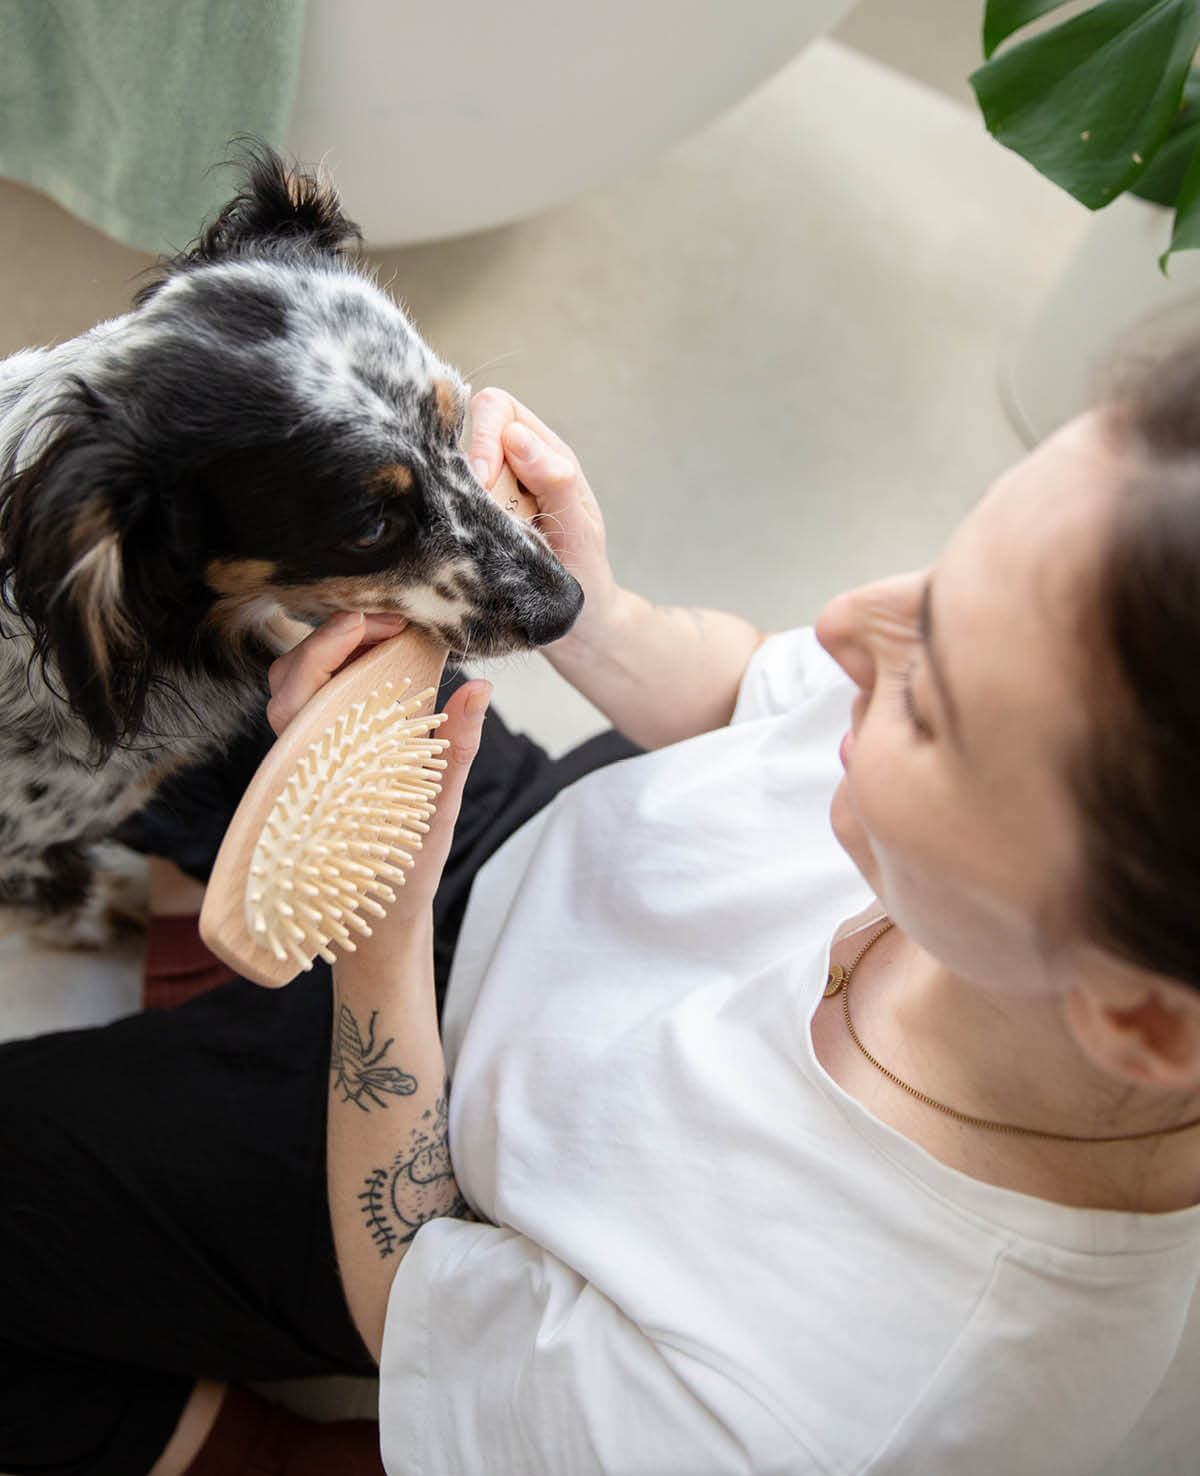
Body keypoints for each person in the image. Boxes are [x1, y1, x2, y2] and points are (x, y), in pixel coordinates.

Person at [3, 339, 1200, 1476]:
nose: (845, 629)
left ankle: (243, 1445)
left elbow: (413, 1284)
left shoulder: (801, 1404)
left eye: (927, 701)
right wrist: (588, 606)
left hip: (432, 1179)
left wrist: (376, 937)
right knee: (163, 615)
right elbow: (751, 690)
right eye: (940, 578)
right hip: (536, 858)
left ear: (1138, 1017)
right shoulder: (1044, 828)